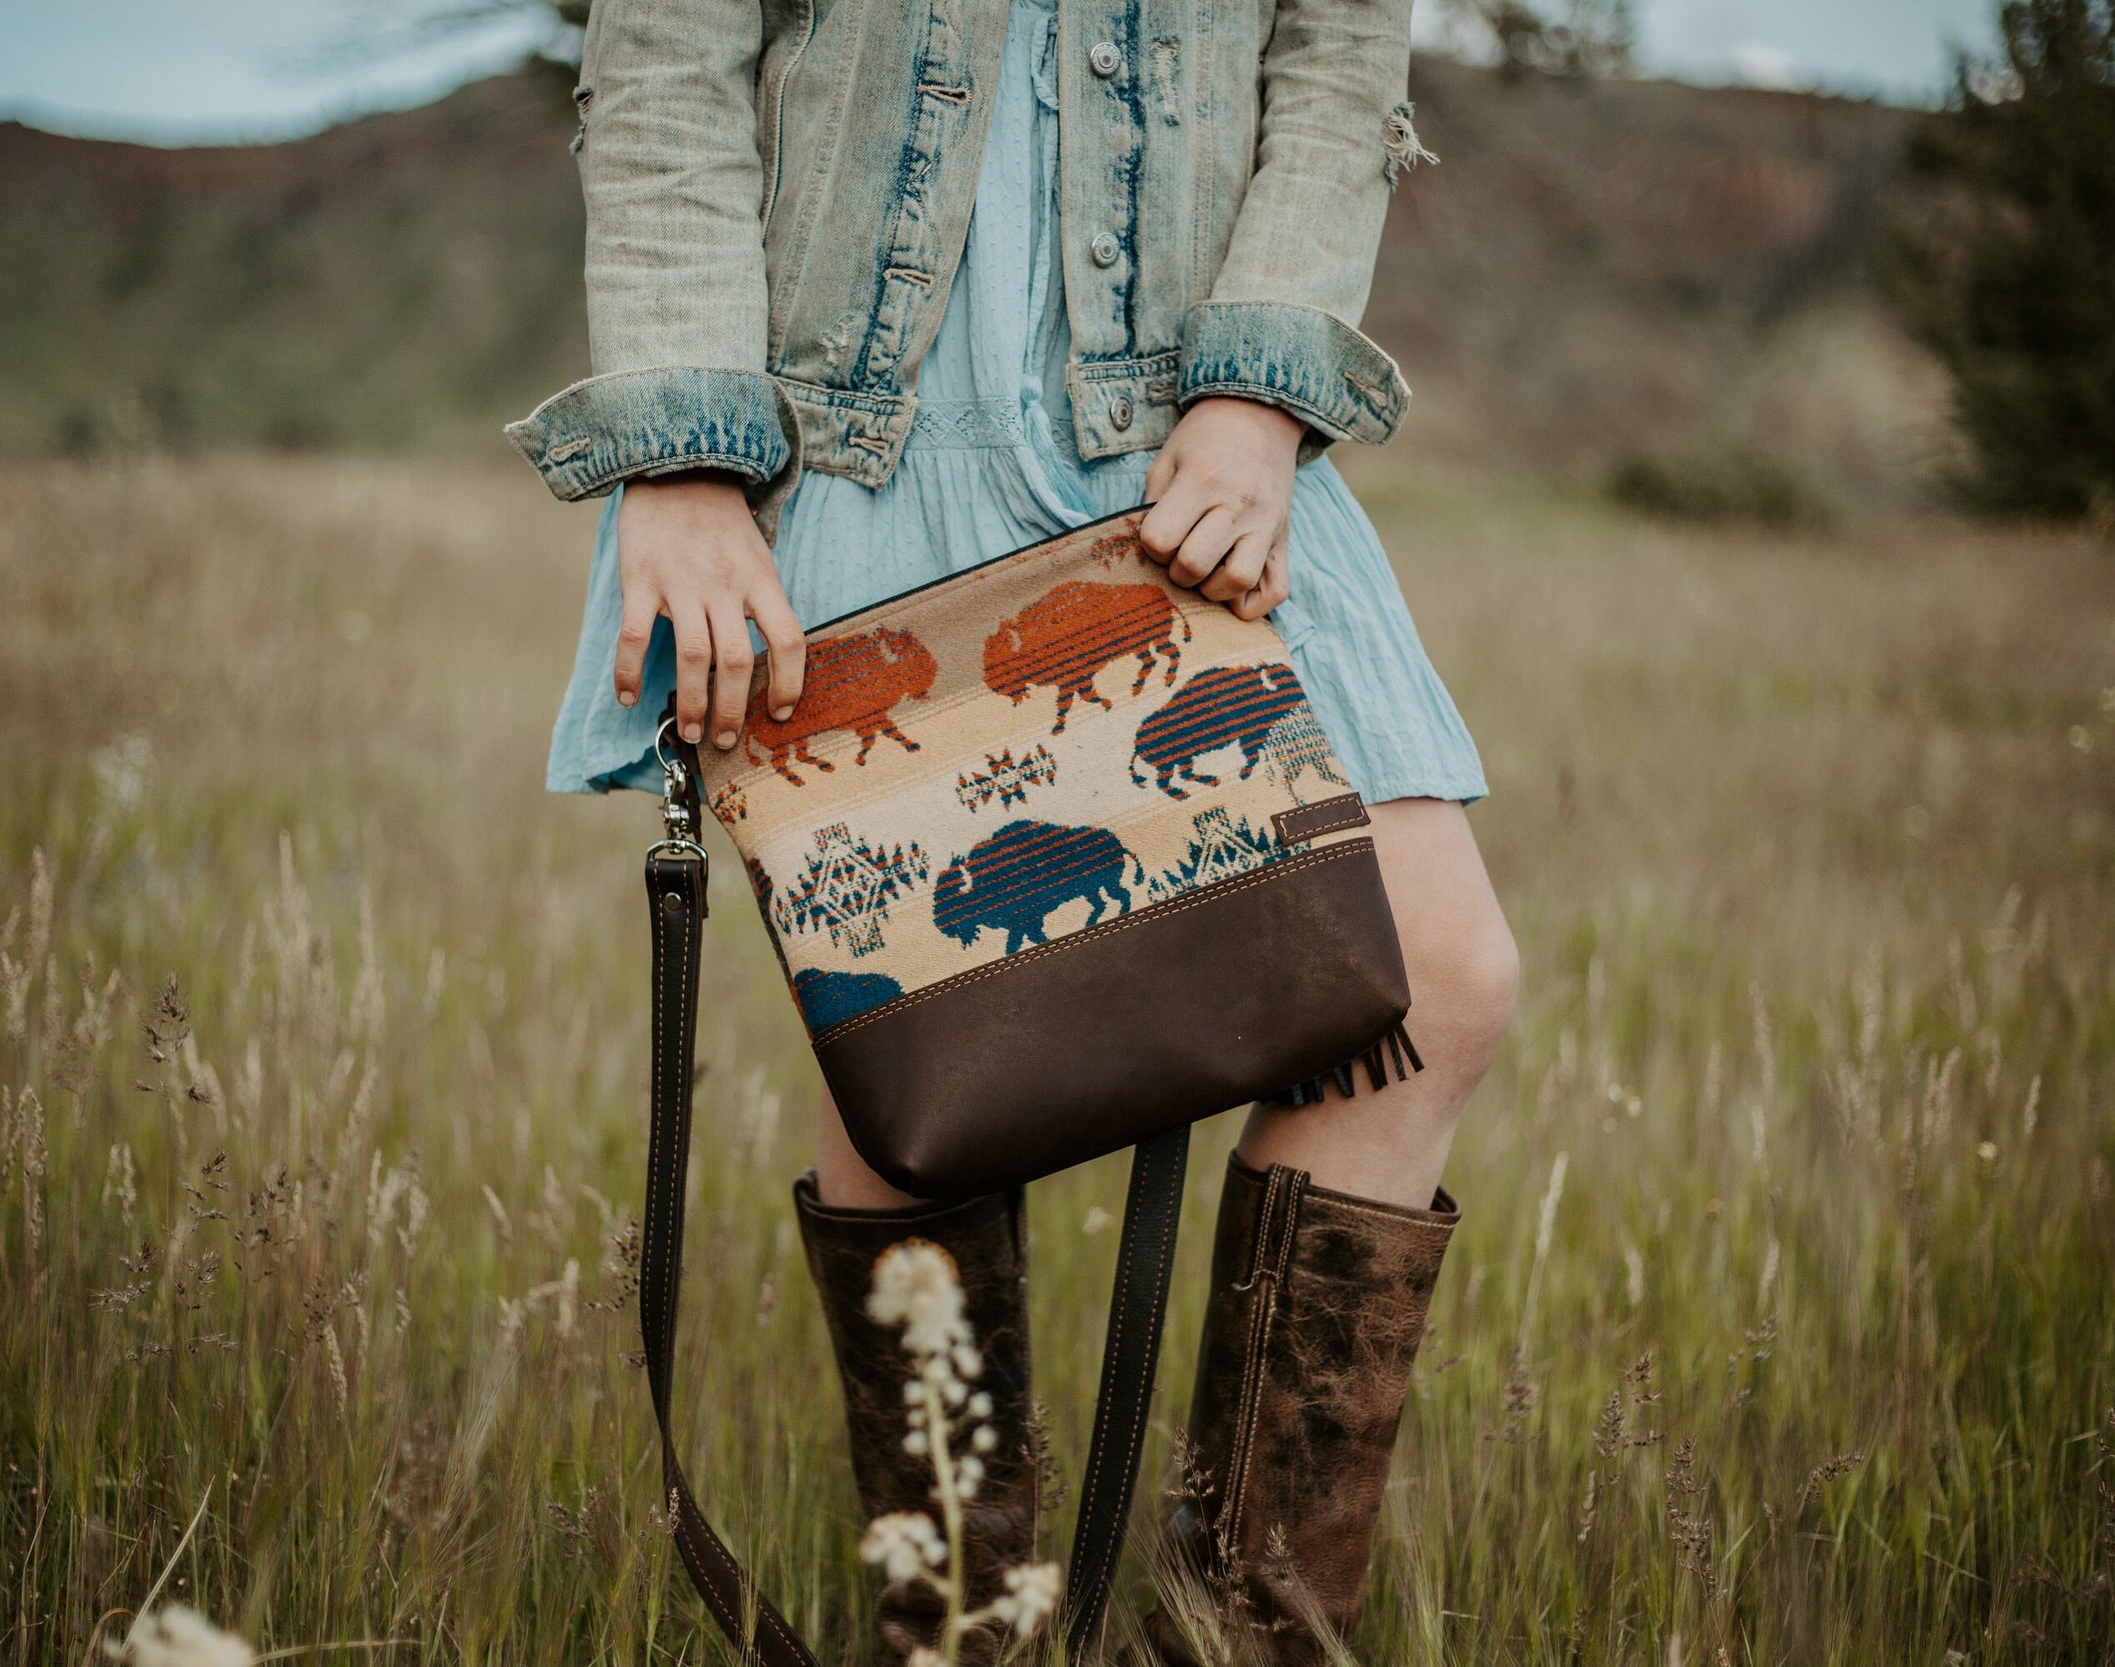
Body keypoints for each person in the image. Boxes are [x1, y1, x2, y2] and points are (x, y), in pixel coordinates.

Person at [508, 0, 1518, 1658]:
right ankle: (965, 1638)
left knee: (1441, 983)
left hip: (1206, 449)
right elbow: (668, 52)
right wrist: (681, 456)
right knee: (930, 1072)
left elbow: (1337, 48)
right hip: (870, 437)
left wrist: (1266, 383)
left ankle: (1236, 1644)